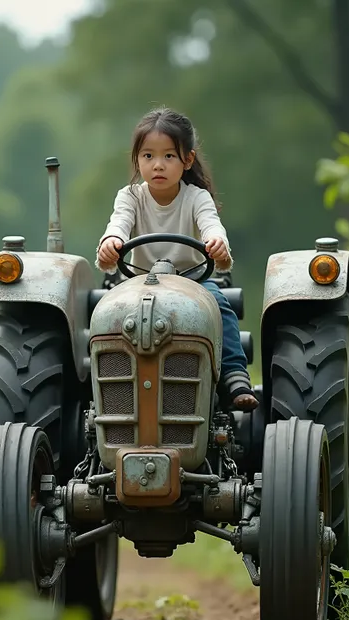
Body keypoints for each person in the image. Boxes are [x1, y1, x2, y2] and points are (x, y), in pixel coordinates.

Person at [96, 107, 259, 412]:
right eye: (148, 156)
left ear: (187, 160)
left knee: (219, 305)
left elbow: (211, 224)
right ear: (137, 160)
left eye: (169, 156)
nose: (158, 165)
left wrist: (217, 244)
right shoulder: (130, 197)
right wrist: (111, 243)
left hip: (192, 282)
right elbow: (118, 223)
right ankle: (109, 392)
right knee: (106, 316)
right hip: (137, 284)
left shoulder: (197, 197)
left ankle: (235, 374)